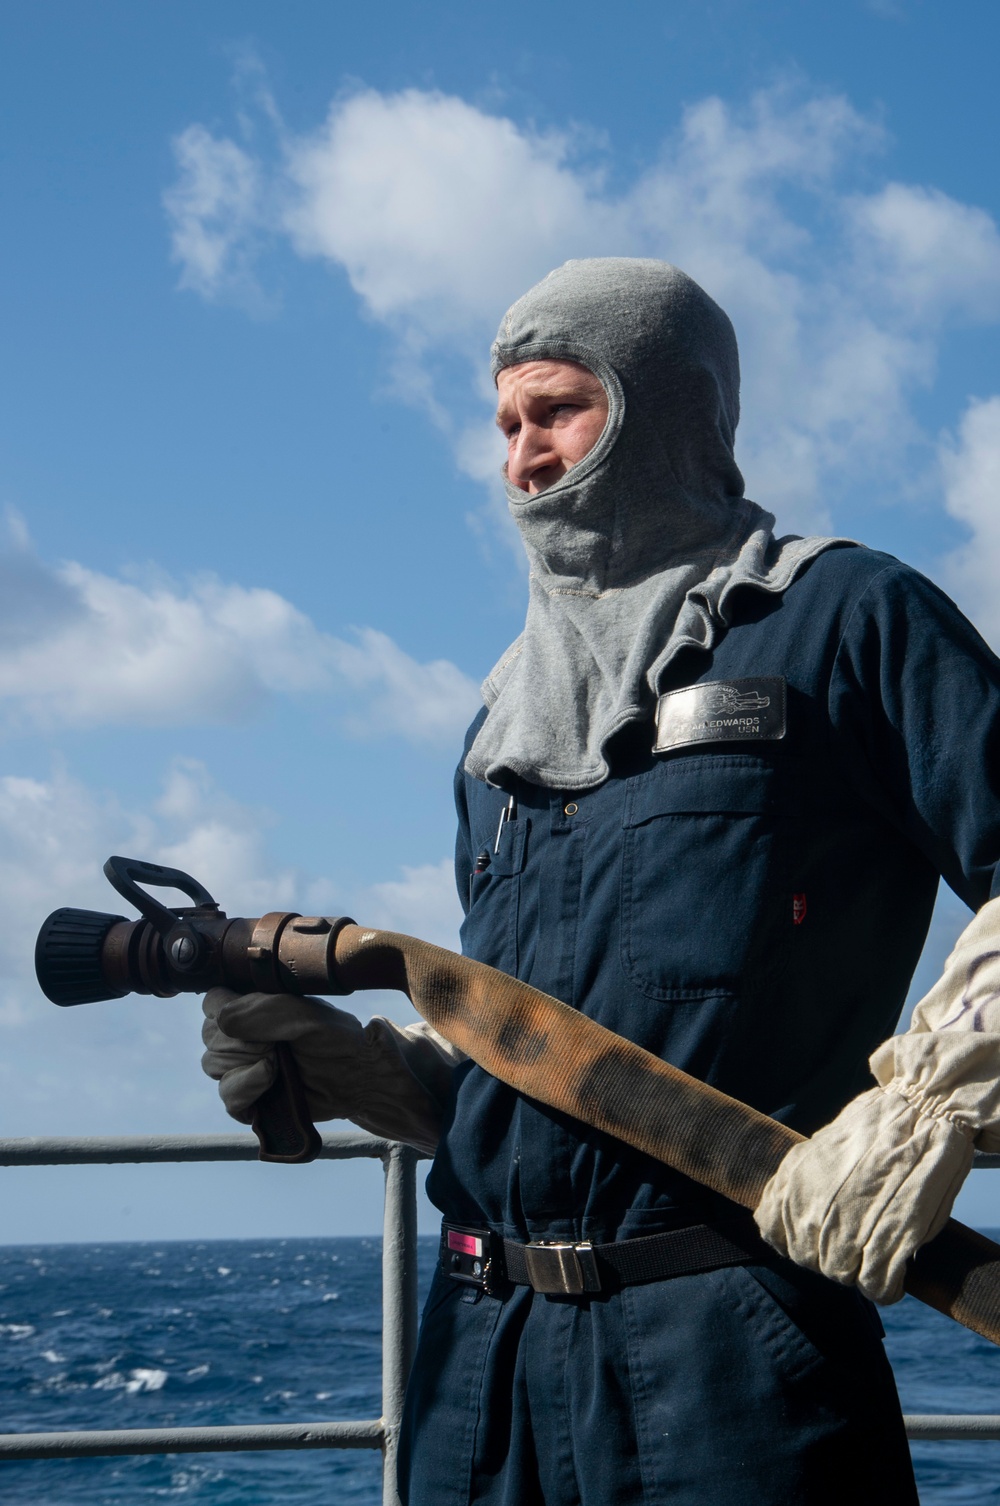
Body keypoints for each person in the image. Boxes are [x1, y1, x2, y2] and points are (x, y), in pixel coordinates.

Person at [201, 258, 1000, 1504]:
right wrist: (393, 1080)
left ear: (669, 406)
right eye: (507, 426)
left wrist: (930, 1112)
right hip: (476, 1357)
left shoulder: (850, 618)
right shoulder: (494, 724)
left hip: (733, 1348)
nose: (526, 455)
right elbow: (560, 1038)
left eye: (559, 409)